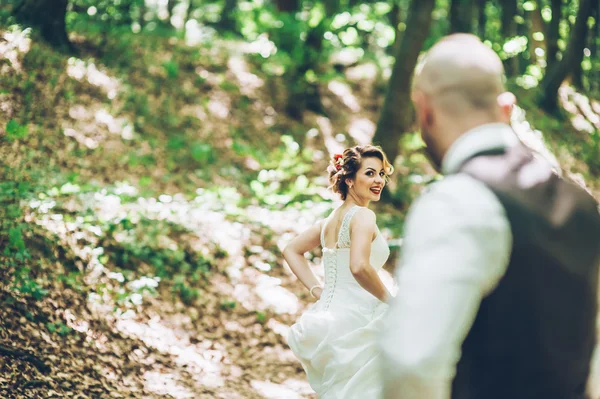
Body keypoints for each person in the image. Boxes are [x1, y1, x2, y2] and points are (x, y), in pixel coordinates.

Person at [379, 33, 600, 399]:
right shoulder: (582, 204)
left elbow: (411, 363)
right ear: (506, 109)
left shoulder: (457, 201)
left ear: (424, 109)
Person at [284, 145, 393, 398]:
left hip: (328, 317)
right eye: (369, 173)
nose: (378, 180)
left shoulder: (328, 221)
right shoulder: (363, 217)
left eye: (381, 174)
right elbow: (359, 266)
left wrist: (318, 291)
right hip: (358, 318)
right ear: (349, 179)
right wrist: (392, 302)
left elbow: (291, 250)